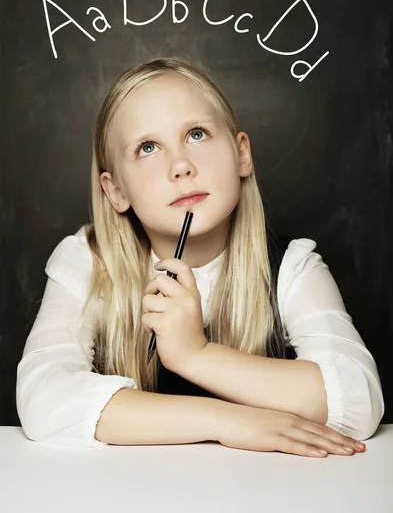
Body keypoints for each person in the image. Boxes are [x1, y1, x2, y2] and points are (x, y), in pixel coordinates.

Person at [16, 57, 383, 456]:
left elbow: (359, 402)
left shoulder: (292, 266)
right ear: (115, 190)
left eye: (196, 134)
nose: (180, 165)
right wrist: (225, 420)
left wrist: (197, 354)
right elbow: (42, 397)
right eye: (148, 147)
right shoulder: (87, 261)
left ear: (242, 154)